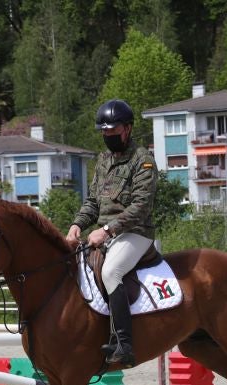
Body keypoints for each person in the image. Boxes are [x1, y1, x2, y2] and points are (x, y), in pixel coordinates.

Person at [66, 99, 158, 368]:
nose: (107, 136)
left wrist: (106, 231)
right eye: (103, 132)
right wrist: (76, 225)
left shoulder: (143, 162)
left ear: (127, 129)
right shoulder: (104, 160)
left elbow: (140, 207)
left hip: (135, 232)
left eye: (112, 131)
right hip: (104, 234)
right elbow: (93, 202)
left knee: (111, 272)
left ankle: (123, 344)